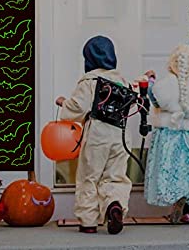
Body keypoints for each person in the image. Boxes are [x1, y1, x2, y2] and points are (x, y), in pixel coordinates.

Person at [56, 35, 154, 235]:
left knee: (89, 177)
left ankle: (89, 222)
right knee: (115, 176)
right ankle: (114, 205)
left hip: (97, 136)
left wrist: (63, 103)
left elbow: (78, 107)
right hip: (121, 136)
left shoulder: (89, 81)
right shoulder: (122, 80)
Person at [144, 44, 189, 223]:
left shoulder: (165, 84)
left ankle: (175, 202)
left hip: (169, 135)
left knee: (172, 171)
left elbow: (155, 99)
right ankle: (187, 211)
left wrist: (150, 80)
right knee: (188, 172)